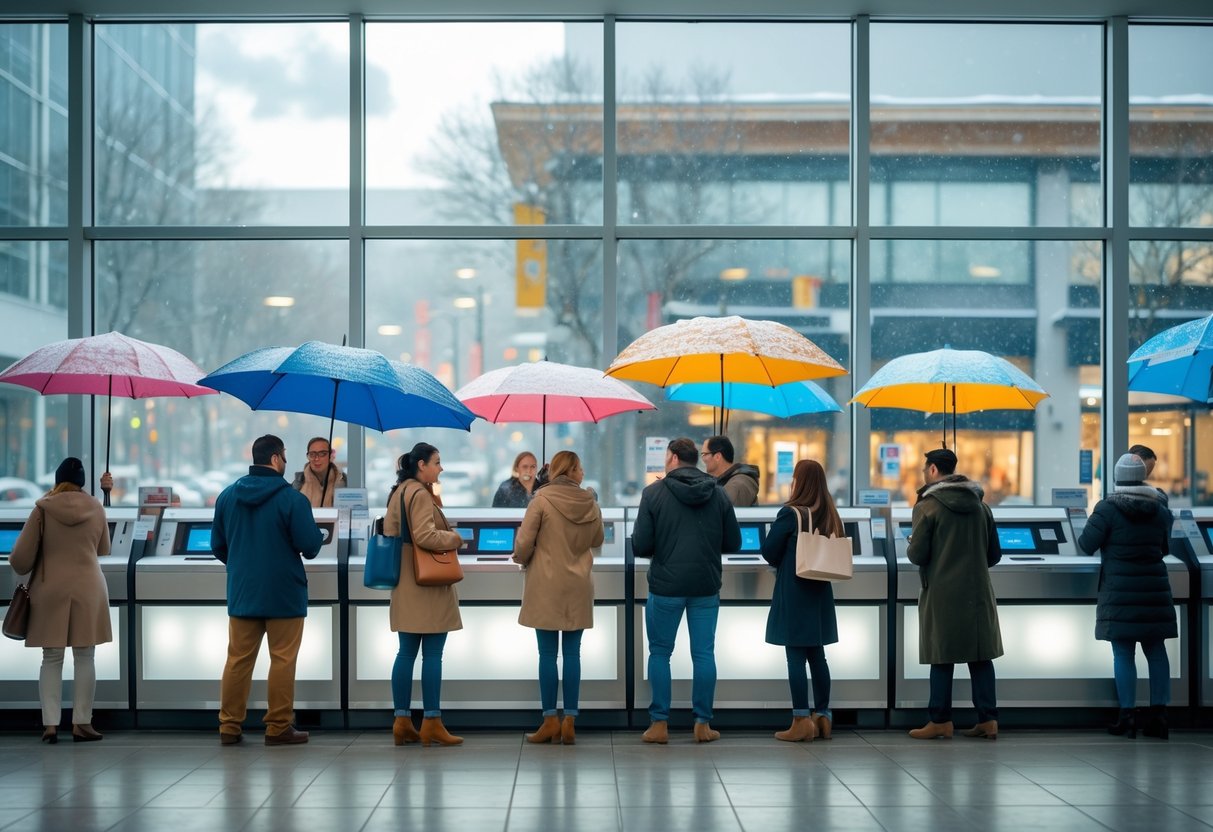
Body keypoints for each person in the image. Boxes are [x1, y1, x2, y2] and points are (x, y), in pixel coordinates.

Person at [212, 435, 323, 746]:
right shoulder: (292, 500)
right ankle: (277, 727)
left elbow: (218, 546)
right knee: (283, 659)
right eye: (284, 456)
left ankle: (229, 726)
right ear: (276, 458)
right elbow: (310, 546)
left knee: (238, 660)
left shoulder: (228, 496)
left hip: (243, 591)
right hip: (284, 592)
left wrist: (242, 566)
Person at [633, 437, 741, 744]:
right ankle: (702, 724)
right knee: (704, 654)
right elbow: (733, 543)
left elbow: (641, 544)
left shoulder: (653, 493)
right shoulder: (718, 494)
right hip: (705, 585)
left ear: (673, 458)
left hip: (666, 586)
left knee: (660, 652)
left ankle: (659, 725)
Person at [9, 458, 111, 744]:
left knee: (51, 658)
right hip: (89, 587)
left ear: (57, 480)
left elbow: (20, 559)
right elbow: (104, 548)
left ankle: (51, 725)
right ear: (82, 482)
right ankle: (82, 723)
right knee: (85, 656)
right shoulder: (96, 507)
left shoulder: (42, 508)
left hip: (50, 587)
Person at [906, 448, 1003, 741]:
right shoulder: (980, 506)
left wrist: (912, 542)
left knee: (942, 656)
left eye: (926, 469)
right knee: (980, 656)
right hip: (977, 592)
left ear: (934, 470)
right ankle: (988, 720)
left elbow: (917, 554)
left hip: (942, 593)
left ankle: (940, 720)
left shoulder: (928, 506)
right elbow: (994, 554)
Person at [1078, 453, 1176, 739]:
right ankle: (1160, 717)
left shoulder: (1107, 508)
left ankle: (1127, 717)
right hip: (1155, 590)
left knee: (1123, 653)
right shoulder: (1160, 510)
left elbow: (1086, 544)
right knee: (1156, 652)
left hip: (1119, 591)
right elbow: (1165, 548)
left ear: (1117, 477)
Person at [512, 450, 604, 745]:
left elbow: (524, 543)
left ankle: (550, 720)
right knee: (573, 654)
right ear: (572, 471)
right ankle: (571, 722)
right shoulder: (589, 500)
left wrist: (520, 557)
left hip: (545, 584)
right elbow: (598, 540)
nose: (584, 473)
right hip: (578, 584)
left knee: (548, 655)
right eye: (580, 468)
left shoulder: (540, 500)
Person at [385, 442, 466, 747]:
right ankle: (432, 722)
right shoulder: (419, 494)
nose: (440, 468)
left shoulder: (400, 491)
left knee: (406, 652)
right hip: (426, 584)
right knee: (432, 654)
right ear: (421, 465)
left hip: (405, 580)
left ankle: (402, 721)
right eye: (437, 462)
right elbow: (425, 536)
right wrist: (455, 537)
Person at [761, 459, 841, 742]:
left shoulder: (790, 513)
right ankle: (823, 715)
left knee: (795, 657)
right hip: (820, 592)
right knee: (817, 656)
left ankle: (800, 719)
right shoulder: (830, 512)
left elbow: (770, 552)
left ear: (799, 481)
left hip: (795, 591)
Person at [700, 435, 760, 507]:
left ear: (717, 456)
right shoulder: (727, 481)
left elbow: (721, 513)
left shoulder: (738, 484)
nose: (702, 459)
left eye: (704, 454)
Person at [291, 436, 347, 508]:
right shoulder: (298, 484)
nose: (316, 458)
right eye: (312, 454)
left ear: (330, 456)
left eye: (322, 454)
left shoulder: (343, 481)